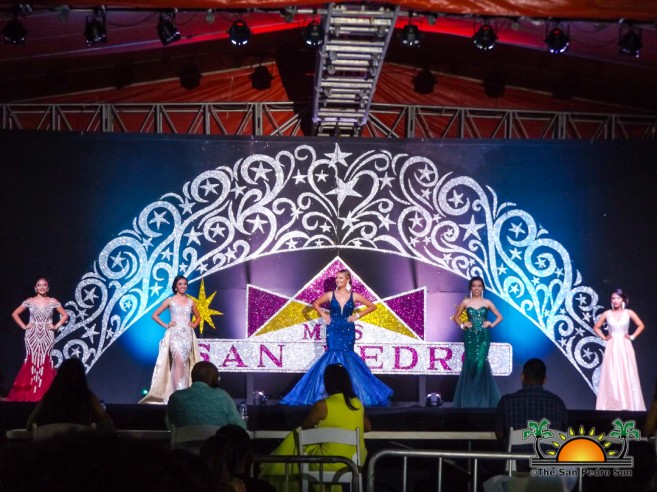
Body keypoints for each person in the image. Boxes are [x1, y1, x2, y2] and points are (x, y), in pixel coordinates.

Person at [280, 269, 392, 406]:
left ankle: (351, 393)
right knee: (332, 355)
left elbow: (372, 306)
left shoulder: (354, 296)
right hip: (333, 329)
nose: (338, 280)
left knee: (348, 357)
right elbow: (315, 304)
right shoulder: (330, 294)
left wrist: (357, 315)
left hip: (347, 329)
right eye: (337, 278)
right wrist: (324, 314)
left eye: (340, 278)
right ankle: (326, 393)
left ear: (347, 280)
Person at [260, 364, 371, 490]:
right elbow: (368, 427)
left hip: (326, 463)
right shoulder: (357, 404)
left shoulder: (322, 405)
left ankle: (279, 476)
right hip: (354, 463)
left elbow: (305, 426)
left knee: (295, 439)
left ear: (327, 383)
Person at [141, 275, 202, 404]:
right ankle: (178, 393)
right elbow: (154, 315)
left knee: (184, 363)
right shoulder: (170, 300)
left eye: (185, 284)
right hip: (175, 335)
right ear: (175, 286)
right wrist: (166, 325)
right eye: (180, 284)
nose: (183, 286)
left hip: (187, 336)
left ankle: (183, 392)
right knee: (178, 361)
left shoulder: (191, 302)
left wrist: (193, 324)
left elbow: (198, 317)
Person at [6, 276, 69, 401]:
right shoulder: (30, 301)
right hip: (32, 335)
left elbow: (65, 315)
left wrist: (55, 326)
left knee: (45, 361)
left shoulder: (52, 301)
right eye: (39, 285)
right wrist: (24, 326)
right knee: (32, 360)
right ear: (35, 288)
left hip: (47, 335)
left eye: (44, 285)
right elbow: (15, 314)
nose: (42, 287)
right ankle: (29, 393)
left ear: (48, 287)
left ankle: (45, 394)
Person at [452, 276, 502, 408]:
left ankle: (482, 401)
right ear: (470, 287)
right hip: (470, 336)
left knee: (481, 363)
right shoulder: (466, 302)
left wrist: (491, 324)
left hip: (483, 337)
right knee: (471, 362)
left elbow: (500, 316)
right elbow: (456, 317)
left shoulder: (487, 302)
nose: (476, 288)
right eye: (474, 286)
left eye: (479, 286)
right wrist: (463, 325)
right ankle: (469, 400)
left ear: (483, 288)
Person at [26, 357, 114, 431]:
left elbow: (29, 425)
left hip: (50, 446)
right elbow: (108, 425)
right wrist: (93, 428)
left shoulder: (49, 396)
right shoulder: (87, 396)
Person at [593, 288, 646, 411]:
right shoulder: (607, 313)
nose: (615, 300)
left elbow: (641, 325)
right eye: (613, 298)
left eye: (618, 298)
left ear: (623, 299)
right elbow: (596, 327)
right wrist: (604, 337)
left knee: (627, 372)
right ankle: (610, 404)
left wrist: (632, 337)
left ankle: (628, 404)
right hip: (611, 346)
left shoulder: (629, 312)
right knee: (611, 373)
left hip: (625, 345)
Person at [167, 361, 246, 430]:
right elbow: (241, 427)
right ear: (215, 380)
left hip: (183, 443)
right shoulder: (222, 396)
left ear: (192, 377)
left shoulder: (176, 397)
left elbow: (169, 423)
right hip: (217, 443)